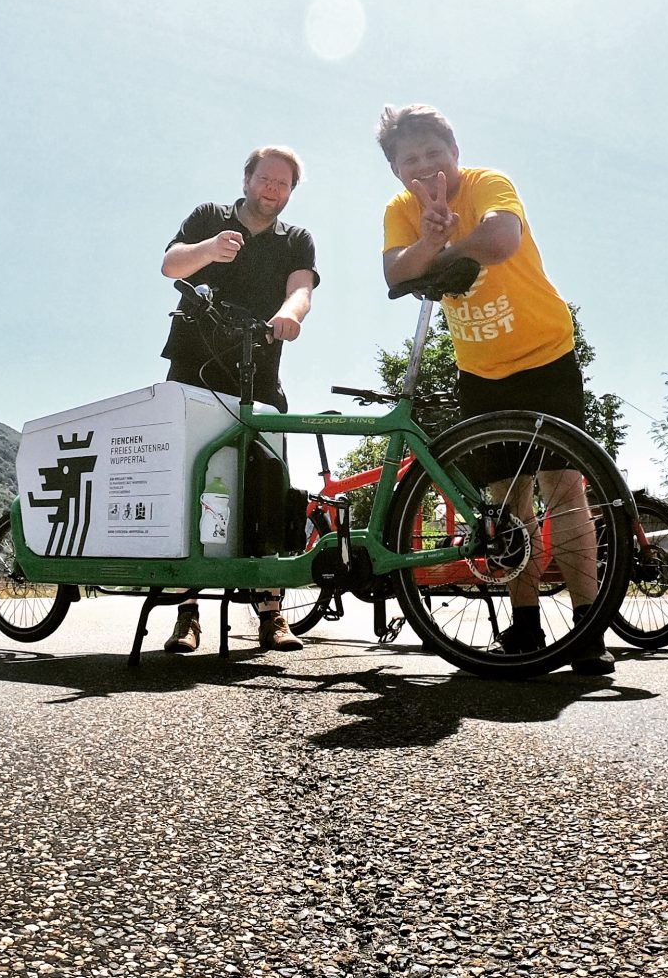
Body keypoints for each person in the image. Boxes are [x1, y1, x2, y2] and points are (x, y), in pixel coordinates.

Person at [377, 104, 613, 675]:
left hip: (544, 356)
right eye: (410, 159)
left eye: (435, 153)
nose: (425, 167)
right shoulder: (401, 209)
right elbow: (393, 274)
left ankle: (587, 627)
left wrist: (441, 251)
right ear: (395, 170)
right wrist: (428, 242)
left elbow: (502, 237)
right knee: (507, 505)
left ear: (454, 152)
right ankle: (527, 625)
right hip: (480, 373)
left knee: (564, 490)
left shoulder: (486, 182)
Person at [160, 145, 319, 654]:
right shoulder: (210, 217)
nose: (273, 190)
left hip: (258, 369)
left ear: (291, 192)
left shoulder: (297, 240)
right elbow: (169, 265)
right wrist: (208, 250)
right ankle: (187, 614)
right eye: (266, 179)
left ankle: (271, 610)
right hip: (194, 364)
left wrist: (292, 313)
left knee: (268, 480)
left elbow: (302, 290)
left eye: (284, 184)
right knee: (186, 479)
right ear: (247, 178)